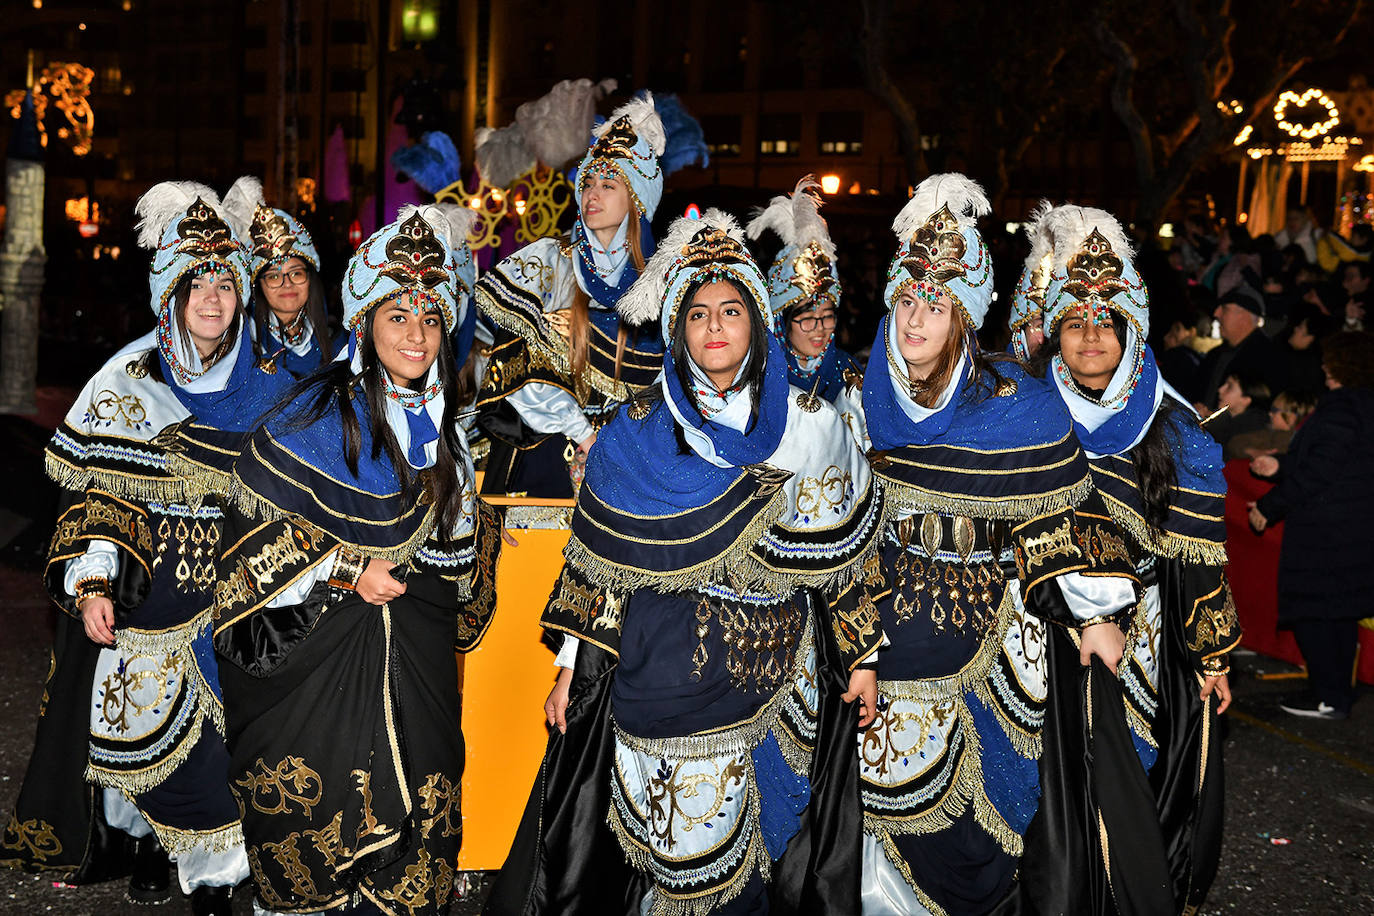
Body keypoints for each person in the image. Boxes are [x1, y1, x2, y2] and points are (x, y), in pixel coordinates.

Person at [487, 210, 886, 916]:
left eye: (731, 309)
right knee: (683, 868)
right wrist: (569, 670)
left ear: (756, 321)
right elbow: (599, 563)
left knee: (768, 865)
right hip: (664, 680)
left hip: (777, 683)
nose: (714, 327)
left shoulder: (811, 423)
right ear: (679, 329)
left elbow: (843, 558)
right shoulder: (633, 433)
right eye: (698, 313)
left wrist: (860, 659)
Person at [2, 182, 293, 915]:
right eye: (196, 282)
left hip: (245, 606)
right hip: (151, 610)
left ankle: (219, 884)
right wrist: (93, 583)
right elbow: (100, 495)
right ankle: (168, 855)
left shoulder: (274, 382)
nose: (213, 296)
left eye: (224, 280)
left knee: (243, 760)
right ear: (169, 292)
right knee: (158, 756)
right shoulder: (126, 381)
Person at [853, 177, 1139, 915]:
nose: (916, 321)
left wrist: (1095, 614)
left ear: (965, 319)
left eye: (937, 306)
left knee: (989, 839)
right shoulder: (859, 398)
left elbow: (1061, 517)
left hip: (995, 652)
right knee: (874, 836)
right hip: (878, 643)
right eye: (907, 302)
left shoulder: (1022, 404)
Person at [210, 205, 500, 914]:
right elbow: (251, 541)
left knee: (423, 810)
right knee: (318, 813)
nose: (416, 335)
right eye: (398, 317)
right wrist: (347, 570)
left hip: (418, 656)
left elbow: (454, 553)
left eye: (430, 320)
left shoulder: (448, 428)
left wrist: (484, 528)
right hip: (321, 651)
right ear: (366, 320)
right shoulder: (315, 414)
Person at [1017, 204, 1239, 914]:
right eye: (1075, 323)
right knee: (1069, 801)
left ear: (1132, 334)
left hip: (1143, 640)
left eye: (1104, 324)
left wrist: (1210, 654)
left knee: (1141, 786)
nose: (1089, 338)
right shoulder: (1026, 416)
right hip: (1045, 632)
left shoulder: (1171, 428)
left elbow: (1198, 555)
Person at [475, 94, 667, 497]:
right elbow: (520, 365)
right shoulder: (550, 263)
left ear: (636, 200)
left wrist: (621, 444)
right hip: (547, 450)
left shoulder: (664, 278)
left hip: (636, 457)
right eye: (588, 184)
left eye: (608, 184)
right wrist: (583, 436)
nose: (592, 195)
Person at [1249, 331, 1374, 720]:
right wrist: (1281, 465)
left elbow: (1321, 470)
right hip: (1349, 525)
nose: (1323, 366)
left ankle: (1329, 695)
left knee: (1314, 612)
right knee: (1338, 612)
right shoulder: (1363, 406)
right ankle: (1336, 694)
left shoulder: (1341, 409)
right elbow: (1337, 462)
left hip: (1327, 531)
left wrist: (1269, 506)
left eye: (1331, 360)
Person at [746, 174, 866, 444]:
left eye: (827, 317)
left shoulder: (846, 368)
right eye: (808, 319)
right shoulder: (758, 371)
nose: (820, 329)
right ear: (782, 321)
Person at [223, 176, 334, 376]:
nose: (287, 284)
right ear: (258, 286)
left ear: (310, 279)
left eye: (296, 273)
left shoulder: (340, 343)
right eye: (274, 276)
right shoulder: (238, 346)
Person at [1195, 285, 1288, 411]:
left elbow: (1263, 410)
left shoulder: (1269, 359)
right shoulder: (1215, 354)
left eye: (1225, 309)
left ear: (1244, 316)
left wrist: (1217, 421)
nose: (1216, 313)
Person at [1007, 201, 1052, 361]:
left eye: (1056, 329)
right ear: (1021, 329)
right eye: (1040, 326)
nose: (1047, 339)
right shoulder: (999, 381)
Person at [1209, 369, 1273, 460]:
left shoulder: (1250, 429)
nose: (1220, 390)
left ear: (1245, 400)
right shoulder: (1224, 419)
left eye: (1229, 387)